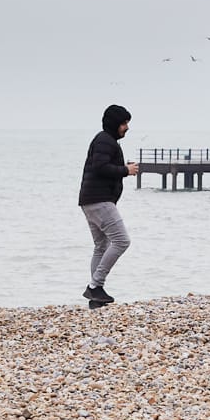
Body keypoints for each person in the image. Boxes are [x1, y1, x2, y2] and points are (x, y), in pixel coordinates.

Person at [79, 104, 137, 309]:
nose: (127, 127)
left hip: (90, 200)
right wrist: (125, 170)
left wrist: (123, 169)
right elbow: (100, 167)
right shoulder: (105, 140)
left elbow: (100, 166)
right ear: (115, 124)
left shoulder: (105, 140)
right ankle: (95, 285)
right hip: (99, 199)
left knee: (101, 246)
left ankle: (96, 298)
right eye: (124, 123)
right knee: (122, 241)